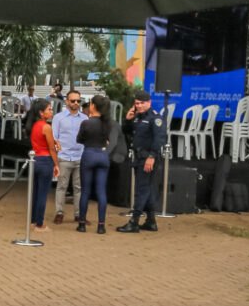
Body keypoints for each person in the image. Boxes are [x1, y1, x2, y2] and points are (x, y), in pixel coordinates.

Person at [117, 90, 167, 233]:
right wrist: (128, 120)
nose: (138, 106)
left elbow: (160, 139)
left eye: (141, 103)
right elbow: (127, 131)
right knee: (147, 190)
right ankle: (151, 221)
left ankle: (134, 221)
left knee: (141, 189)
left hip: (148, 158)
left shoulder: (155, 118)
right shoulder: (138, 117)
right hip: (139, 157)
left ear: (149, 103)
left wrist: (152, 157)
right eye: (136, 103)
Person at [76, 94, 112, 234]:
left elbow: (79, 139)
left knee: (85, 191)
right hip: (103, 155)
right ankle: (101, 225)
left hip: (89, 153)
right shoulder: (107, 123)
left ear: (93, 106)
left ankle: (82, 224)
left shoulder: (86, 123)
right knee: (101, 191)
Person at [51, 88, 84, 223]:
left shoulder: (85, 118)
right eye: (73, 100)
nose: (76, 103)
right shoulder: (58, 118)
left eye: (78, 101)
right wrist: (56, 156)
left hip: (80, 157)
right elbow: (54, 137)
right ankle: (59, 212)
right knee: (61, 186)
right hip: (64, 157)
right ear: (66, 101)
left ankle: (79, 214)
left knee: (79, 187)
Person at [28, 99, 59, 230]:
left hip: (35, 160)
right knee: (42, 194)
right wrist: (56, 164)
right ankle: (39, 224)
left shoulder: (35, 125)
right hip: (45, 161)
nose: (51, 111)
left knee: (35, 192)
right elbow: (51, 148)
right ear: (41, 112)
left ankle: (33, 220)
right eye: (49, 109)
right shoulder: (46, 127)